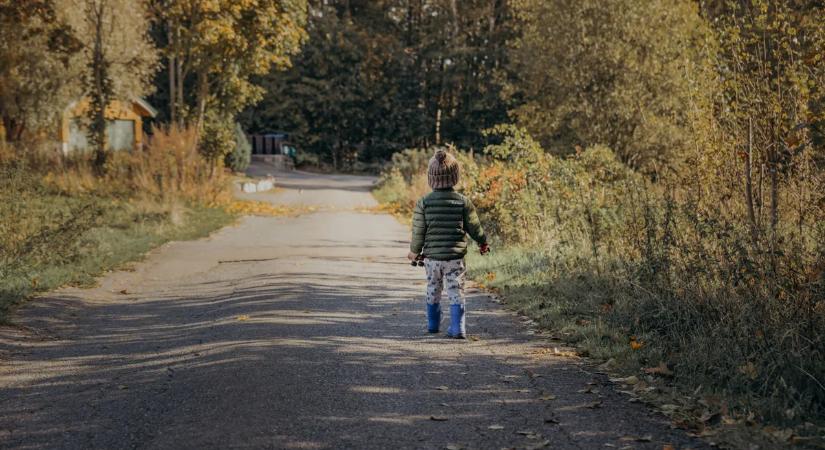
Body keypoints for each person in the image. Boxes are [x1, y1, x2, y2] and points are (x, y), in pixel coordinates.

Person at [407, 148, 489, 339]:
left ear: (431, 178)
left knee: (433, 289)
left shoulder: (423, 203)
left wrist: (414, 251)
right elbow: (474, 227)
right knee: (455, 290)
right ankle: (458, 328)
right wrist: (483, 242)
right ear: (455, 176)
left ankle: (433, 325)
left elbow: (419, 231)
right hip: (455, 259)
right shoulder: (463, 202)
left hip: (433, 259)